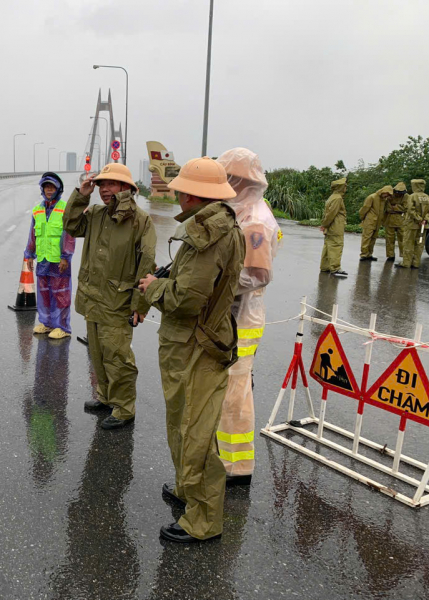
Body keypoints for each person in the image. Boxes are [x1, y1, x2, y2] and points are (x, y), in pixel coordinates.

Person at [138, 156, 245, 544]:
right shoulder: (216, 224)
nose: (177, 194)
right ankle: (188, 490)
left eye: (182, 189)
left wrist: (152, 287)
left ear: (193, 195)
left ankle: (203, 520)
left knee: (195, 432)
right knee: (183, 423)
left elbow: (186, 299)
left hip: (196, 344)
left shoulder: (207, 232)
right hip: (192, 342)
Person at [63, 163, 156, 430]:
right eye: (101, 185)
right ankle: (105, 397)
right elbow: (70, 225)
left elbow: (147, 264)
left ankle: (124, 408)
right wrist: (81, 195)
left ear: (126, 187)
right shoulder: (95, 214)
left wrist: (140, 304)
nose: (104, 189)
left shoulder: (140, 220)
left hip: (118, 302)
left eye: (111, 184)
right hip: (93, 299)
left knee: (117, 357)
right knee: (97, 353)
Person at [215, 148, 281, 486]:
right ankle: (225, 459)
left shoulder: (254, 218)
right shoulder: (243, 209)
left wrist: (215, 283)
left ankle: (236, 466)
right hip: (234, 315)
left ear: (240, 181)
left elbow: (258, 273)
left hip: (242, 319)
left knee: (234, 393)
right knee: (230, 390)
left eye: (227, 178)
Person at [24, 172, 75, 339]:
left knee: (61, 293)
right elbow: (32, 235)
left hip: (59, 260)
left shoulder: (65, 209)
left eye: (52, 187)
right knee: (44, 293)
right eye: (46, 187)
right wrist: (29, 255)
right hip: (43, 259)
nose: (49, 190)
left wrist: (66, 257)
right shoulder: (37, 210)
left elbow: (69, 236)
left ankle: (62, 327)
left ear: (58, 189)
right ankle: (47, 323)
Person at [397, 179, 429, 269]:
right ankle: (416, 263)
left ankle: (406, 263)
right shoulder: (428, 197)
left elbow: (410, 210)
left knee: (408, 243)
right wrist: (425, 220)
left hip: (412, 224)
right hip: (423, 226)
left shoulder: (412, 196)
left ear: (415, 186)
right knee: (419, 244)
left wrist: (419, 219)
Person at [320, 178, 348, 277]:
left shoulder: (332, 197)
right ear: (340, 187)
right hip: (336, 226)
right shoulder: (338, 198)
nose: (346, 188)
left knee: (328, 246)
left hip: (331, 226)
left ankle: (325, 266)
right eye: (344, 186)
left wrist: (325, 224)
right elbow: (331, 213)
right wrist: (324, 224)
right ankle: (335, 268)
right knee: (336, 245)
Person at [359, 185, 393, 261]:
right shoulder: (372, 197)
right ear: (383, 191)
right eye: (387, 193)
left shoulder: (384, 200)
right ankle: (364, 254)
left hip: (378, 221)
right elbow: (365, 208)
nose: (387, 195)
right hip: (370, 221)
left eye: (388, 194)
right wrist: (362, 217)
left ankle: (369, 254)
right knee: (366, 238)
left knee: (373, 238)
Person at [384, 182, 407, 261]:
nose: (398, 194)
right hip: (390, 219)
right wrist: (398, 207)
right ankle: (390, 255)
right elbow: (388, 208)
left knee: (403, 239)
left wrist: (395, 207)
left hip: (401, 220)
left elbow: (406, 208)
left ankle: (404, 255)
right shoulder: (390, 195)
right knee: (389, 239)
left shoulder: (406, 196)